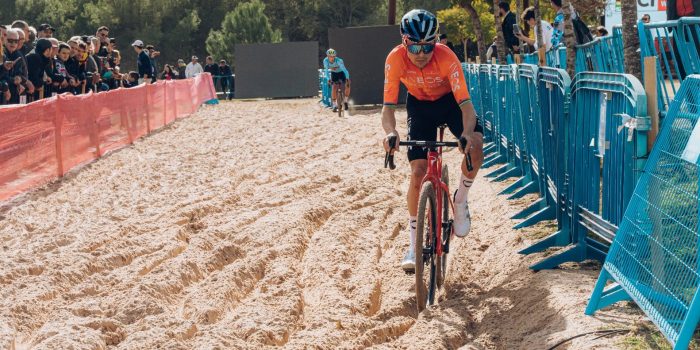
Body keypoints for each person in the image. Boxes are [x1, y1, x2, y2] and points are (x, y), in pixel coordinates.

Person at [382, 9, 484, 272]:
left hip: (450, 104)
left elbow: (467, 108)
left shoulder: (447, 58)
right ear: (404, 41)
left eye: (427, 45)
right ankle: (413, 245)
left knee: (476, 146)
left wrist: (466, 134)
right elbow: (388, 108)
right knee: (417, 173)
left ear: (435, 41)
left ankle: (460, 201)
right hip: (419, 107)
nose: (420, 53)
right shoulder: (395, 59)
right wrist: (390, 133)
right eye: (413, 46)